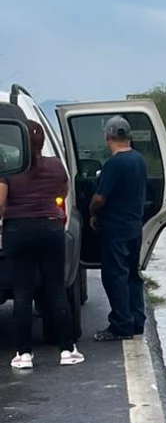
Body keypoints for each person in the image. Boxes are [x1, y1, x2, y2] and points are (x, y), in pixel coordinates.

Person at [0, 119, 84, 368]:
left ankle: (24, 354)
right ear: (43, 141)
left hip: (18, 231)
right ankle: (67, 350)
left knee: (22, 292)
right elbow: (64, 191)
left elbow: (1, 204)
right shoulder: (56, 165)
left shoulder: (9, 169)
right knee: (56, 290)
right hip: (50, 228)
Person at [89, 115, 147, 342]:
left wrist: (92, 211)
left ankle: (121, 325)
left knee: (115, 276)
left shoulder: (114, 164)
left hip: (115, 228)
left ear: (107, 137)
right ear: (129, 136)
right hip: (134, 225)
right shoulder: (139, 159)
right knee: (133, 274)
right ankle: (137, 321)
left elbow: (100, 197)